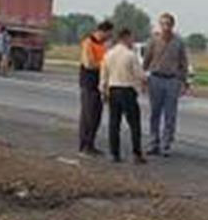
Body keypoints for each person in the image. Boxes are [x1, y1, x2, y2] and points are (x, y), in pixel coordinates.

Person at [144, 12, 190, 156]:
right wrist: (143, 78)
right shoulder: (153, 41)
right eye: (163, 24)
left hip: (172, 80)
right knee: (155, 113)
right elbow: (146, 60)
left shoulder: (178, 42)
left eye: (168, 24)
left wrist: (184, 82)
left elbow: (184, 63)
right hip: (155, 79)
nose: (165, 27)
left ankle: (166, 144)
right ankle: (153, 143)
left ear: (172, 25)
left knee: (170, 114)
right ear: (159, 25)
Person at [100, 27, 147, 164]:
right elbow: (139, 74)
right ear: (126, 38)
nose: (133, 41)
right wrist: (145, 80)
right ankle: (136, 154)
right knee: (134, 124)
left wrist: (103, 90)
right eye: (132, 38)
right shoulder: (130, 55)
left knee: (114, 123)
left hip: (113, 89)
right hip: (127, 90)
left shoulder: (109, 54)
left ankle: (114, 154)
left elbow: (104, 75)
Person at [78, 21, 113, 156]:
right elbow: (89, 64)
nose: (110, 37)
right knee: (88, 115)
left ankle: (91, 144)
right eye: (109, 34)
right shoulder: (88, 43)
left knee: (96, 116)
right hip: (89, 83)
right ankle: (84, 145)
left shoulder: (103, 46)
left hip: (99, 84)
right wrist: (104, 64)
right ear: (103, 31)